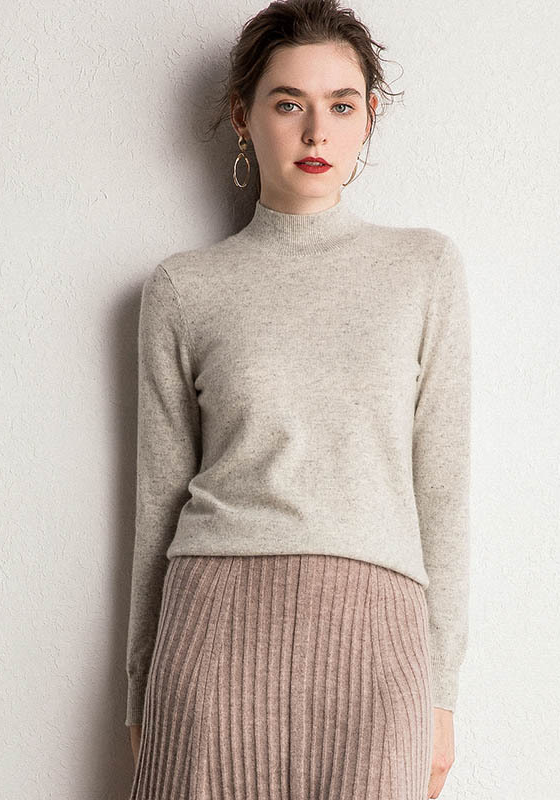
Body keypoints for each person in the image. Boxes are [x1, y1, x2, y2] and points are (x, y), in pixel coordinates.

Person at [125, 1, 471, 798]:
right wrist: (139, 694)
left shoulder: (424, 271)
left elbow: (444, 492)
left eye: (340, 106)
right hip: (211, 637)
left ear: (369, 116)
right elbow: (157, 506)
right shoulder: (184, 288)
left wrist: (443, 695)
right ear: (242, 118)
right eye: (288, 104)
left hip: (377, 646)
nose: (317, 133)